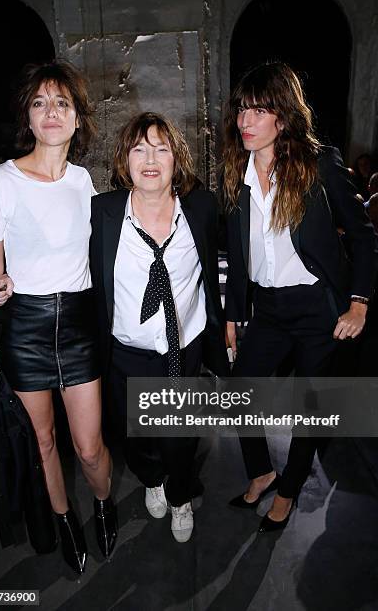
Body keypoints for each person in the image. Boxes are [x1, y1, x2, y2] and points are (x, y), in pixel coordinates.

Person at [0, 60, 117, 574]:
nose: (51, 112)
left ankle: (101, 503)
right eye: (39, 103)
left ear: (78, 119)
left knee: (90, 447)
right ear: (27, 118)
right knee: (43, 442)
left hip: (77, 327)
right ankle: (64, 520)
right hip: (25, 327)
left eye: (62, 103)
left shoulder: (85, 184)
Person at [223, 62, 377, 532]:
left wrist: (358, 303)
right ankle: (262, 471)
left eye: (259, 111)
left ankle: (287, 490)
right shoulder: (236, 171)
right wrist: (231, 317)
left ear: (283, 118)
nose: (245, 122)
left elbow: (364, 235)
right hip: (267, 310)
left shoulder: (318, 164)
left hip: (316, 309)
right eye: (241, 112)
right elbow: (235, 253)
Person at [90, 112, 230, 542]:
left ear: (177, 158)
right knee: (134, 438)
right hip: (124, 353)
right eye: (139, 149)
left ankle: (180, 496)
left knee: (179, 438)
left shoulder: (201, 208)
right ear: (124, 160)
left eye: (161, 148)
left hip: (181, 349)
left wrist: (228, 320)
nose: (150, 158)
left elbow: (225, 263)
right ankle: (151, 479)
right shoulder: (103, 212)